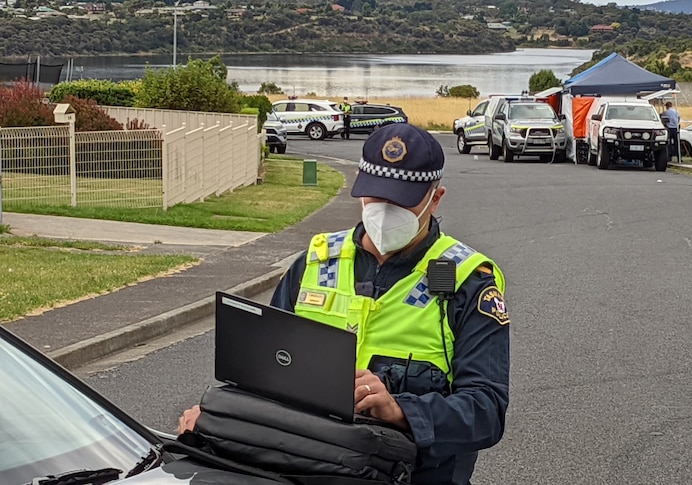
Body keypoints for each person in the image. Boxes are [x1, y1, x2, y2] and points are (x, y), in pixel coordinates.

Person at [177, 123, 511, 485]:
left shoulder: (467, 280)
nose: (385, 210)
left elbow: (485, 410)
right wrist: (216, 420)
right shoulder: (314, 263)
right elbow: (263, 379)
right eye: (376, 196)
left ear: (436, 196)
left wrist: (400, 410)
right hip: (307, 470)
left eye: (402, 200)